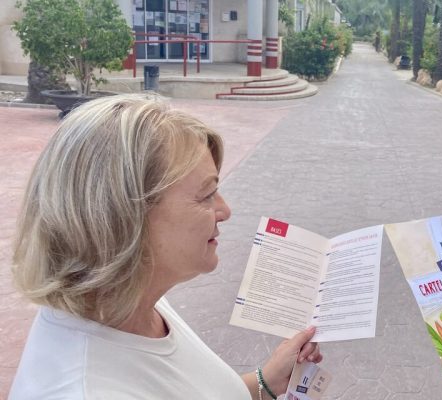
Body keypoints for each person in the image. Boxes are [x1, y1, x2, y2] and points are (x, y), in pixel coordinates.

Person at [9, 94, 322, 399]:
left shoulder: (128, 300)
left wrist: (265, 383)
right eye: (206, 195)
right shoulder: (86, 389)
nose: (225, 211)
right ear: (125, 219)